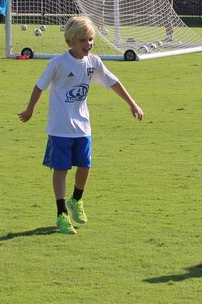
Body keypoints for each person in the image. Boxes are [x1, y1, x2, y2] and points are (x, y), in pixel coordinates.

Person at [17, 16, 144, 235]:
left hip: (82, 126)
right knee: (61, 169)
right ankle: (61, 214)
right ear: (71, 41)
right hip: (59, 128)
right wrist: (30, 109)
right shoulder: (58, 63)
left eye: (91, 39)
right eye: (84, 40)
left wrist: (132, 104)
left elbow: (113, 82)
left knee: (85, 165)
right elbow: (39, 87)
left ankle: (76, 200)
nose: (89, 44)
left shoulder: (94, 62)